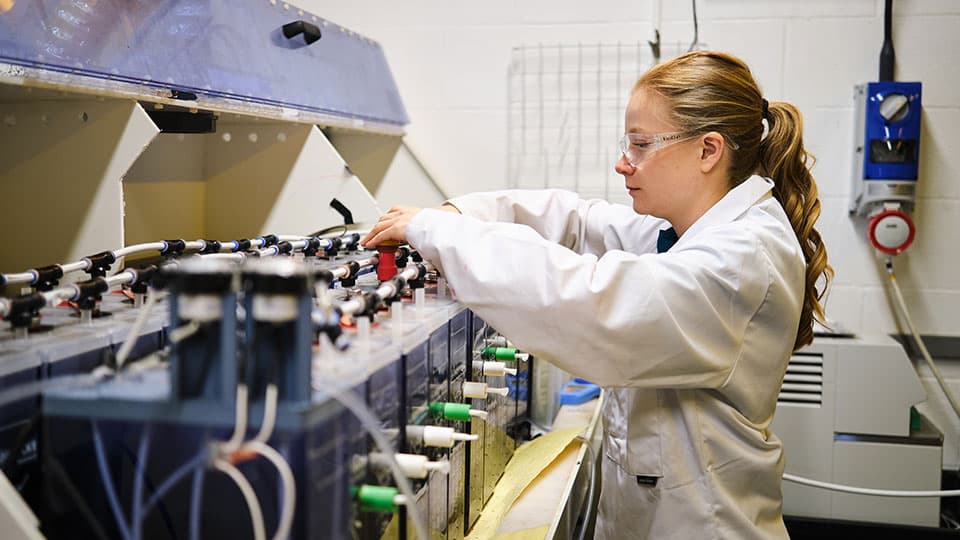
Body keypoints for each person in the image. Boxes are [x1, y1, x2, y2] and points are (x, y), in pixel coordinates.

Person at [362, 50, 832, 539]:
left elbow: (595, 305)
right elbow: (579, 222)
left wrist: (439, 233)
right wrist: (458, 215)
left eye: (641, 145)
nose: (623, 163)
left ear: (708, 150)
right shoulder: (687, 232)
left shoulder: (739, 257)